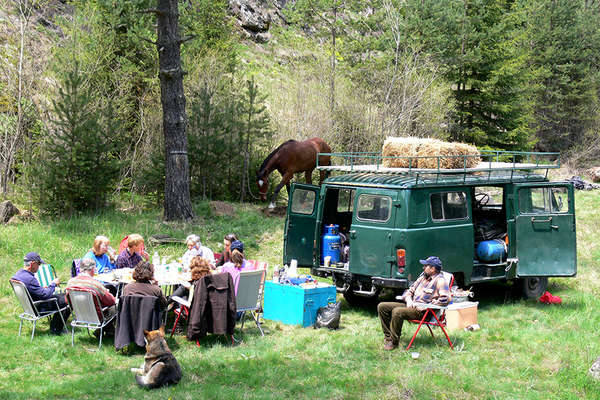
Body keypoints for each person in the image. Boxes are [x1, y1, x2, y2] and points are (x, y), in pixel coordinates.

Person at [377, 256, 450, 351]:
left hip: (424, 312)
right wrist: (409, 300)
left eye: (425, 266)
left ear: (432, 269)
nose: (423, 268)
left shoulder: (440, 280)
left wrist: (427, 306)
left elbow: (446, 298)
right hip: (412, 306)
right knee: (382, 306)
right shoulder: (422, 278)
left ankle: (394, 342)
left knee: (397, 311)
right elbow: (409, 291)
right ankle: (388, 337)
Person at [11, 252, 71, 335]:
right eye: (38, 264)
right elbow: (45, 295)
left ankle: (55, 325)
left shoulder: (18, 275)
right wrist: (53, 284)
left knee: (62, 295)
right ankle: (56, 329)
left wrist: (43, 288)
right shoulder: (30, 279)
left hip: (29, 307)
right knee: (69, 299)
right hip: (39, 307)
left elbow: (34, 290)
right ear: (32, 263)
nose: (39, 266)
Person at [66, 258, 117, 334]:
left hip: (79, 314)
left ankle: (110, 331)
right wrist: (106, 293)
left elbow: (67, 301)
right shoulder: (95, 284)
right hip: (96, 315)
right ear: (93, 269)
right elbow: (111, 301)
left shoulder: (71, 282)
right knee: (117, 307)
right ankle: (100, 330)